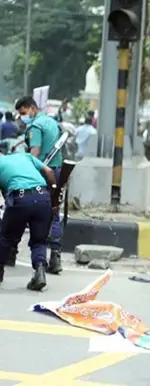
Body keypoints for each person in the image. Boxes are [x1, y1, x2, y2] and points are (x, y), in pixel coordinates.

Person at [15, 96, 63, 274]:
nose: (22, 117)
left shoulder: (35, 126)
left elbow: (34, 152)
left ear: (31, 108)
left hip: (41, 172)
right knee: (54, 212)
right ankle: (55, 256)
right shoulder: (51, 122)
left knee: (33, 213)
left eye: (23, 113)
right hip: (57, 171)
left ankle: (28, 257)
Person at [0, 153, 56, 290]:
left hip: (19, 199)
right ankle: (40, 271)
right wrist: (54, 194)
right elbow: (48, 171)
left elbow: (4, 192)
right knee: (39, 241)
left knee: (6, 238)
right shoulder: (26, 156)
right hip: (43, 197)